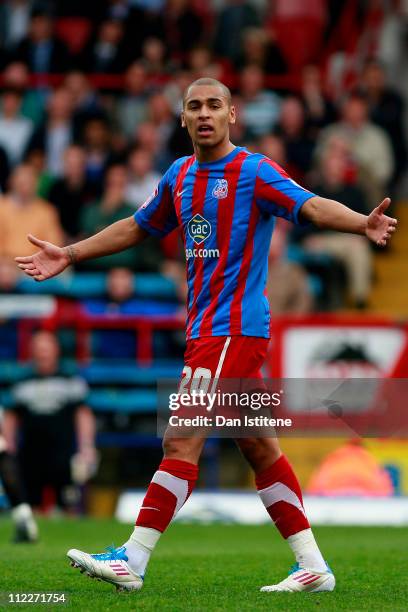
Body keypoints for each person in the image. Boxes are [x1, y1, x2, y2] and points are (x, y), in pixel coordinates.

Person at [15, 78, 397, 594]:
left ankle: (133, 557)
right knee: (260, 448)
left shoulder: (253, 171)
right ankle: (313, 566)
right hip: (208, 332)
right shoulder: (180, 175)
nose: (204, 114)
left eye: (214, 105)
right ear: (182, 118)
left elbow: (308, 205)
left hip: (231, 331)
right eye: (194, 106)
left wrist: (359, 224)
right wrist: (72, 253)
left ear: (232, 115)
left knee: (181, 438)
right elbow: (137, 225)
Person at [2, 330, 97, 512]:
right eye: (38, 348)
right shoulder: (21, 382)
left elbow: (83, 414)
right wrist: (9, 447)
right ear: (32, 352)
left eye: (47, 348)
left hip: (63, 453)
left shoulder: (71, 380)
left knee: (69, 504)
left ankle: (71, 540)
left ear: (56, 350)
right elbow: (11, 417)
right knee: (31, 505)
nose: (43, 353)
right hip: (30, 453)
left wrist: (87, 446)